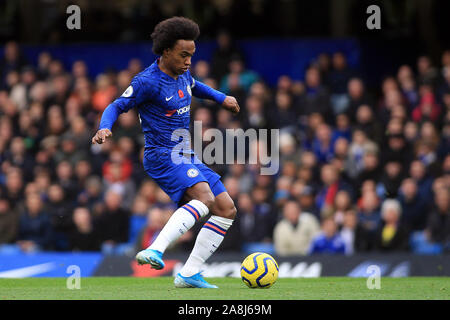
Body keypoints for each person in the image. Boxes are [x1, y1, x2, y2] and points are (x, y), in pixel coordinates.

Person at [91, 17, 240, 289]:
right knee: (205, 197)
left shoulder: (182, 73)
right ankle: (154, 249)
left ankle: (189, 273)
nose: (189, 61)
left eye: (192, 55)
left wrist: (222, 98)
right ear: (166, 51)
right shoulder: (147, 81)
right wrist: (104, 128)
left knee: (226, 209)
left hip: (184, 153)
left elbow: (196, 86)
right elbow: (116, 105)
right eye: (184, 55)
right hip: (161, 155)